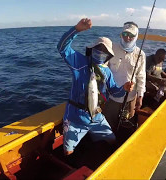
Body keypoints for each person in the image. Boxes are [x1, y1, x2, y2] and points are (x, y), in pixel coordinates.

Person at [57, 18, 134, 155]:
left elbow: (115, 92)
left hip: (97, 118)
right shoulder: (79, 61)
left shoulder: (107, 71)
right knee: (67, 152)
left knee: (112, 142)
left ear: (108, 56)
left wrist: (124, 88)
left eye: (105, 51)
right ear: (91, 49)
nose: (100, 52)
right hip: (75, 118)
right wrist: (76, 29)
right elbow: (62, 48)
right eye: (98, 48)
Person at [103, 21, 146, 132]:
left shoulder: (141, 54)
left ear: (136, 37)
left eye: (131, 35)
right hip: (111, 98)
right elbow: (102, 70)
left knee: (127, 127)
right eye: (125, 34)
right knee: (107, 126)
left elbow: (141, 77)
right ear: (121, 34)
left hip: (130, 99)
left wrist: (140, 96)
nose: (128, 38)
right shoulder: (111, 48)